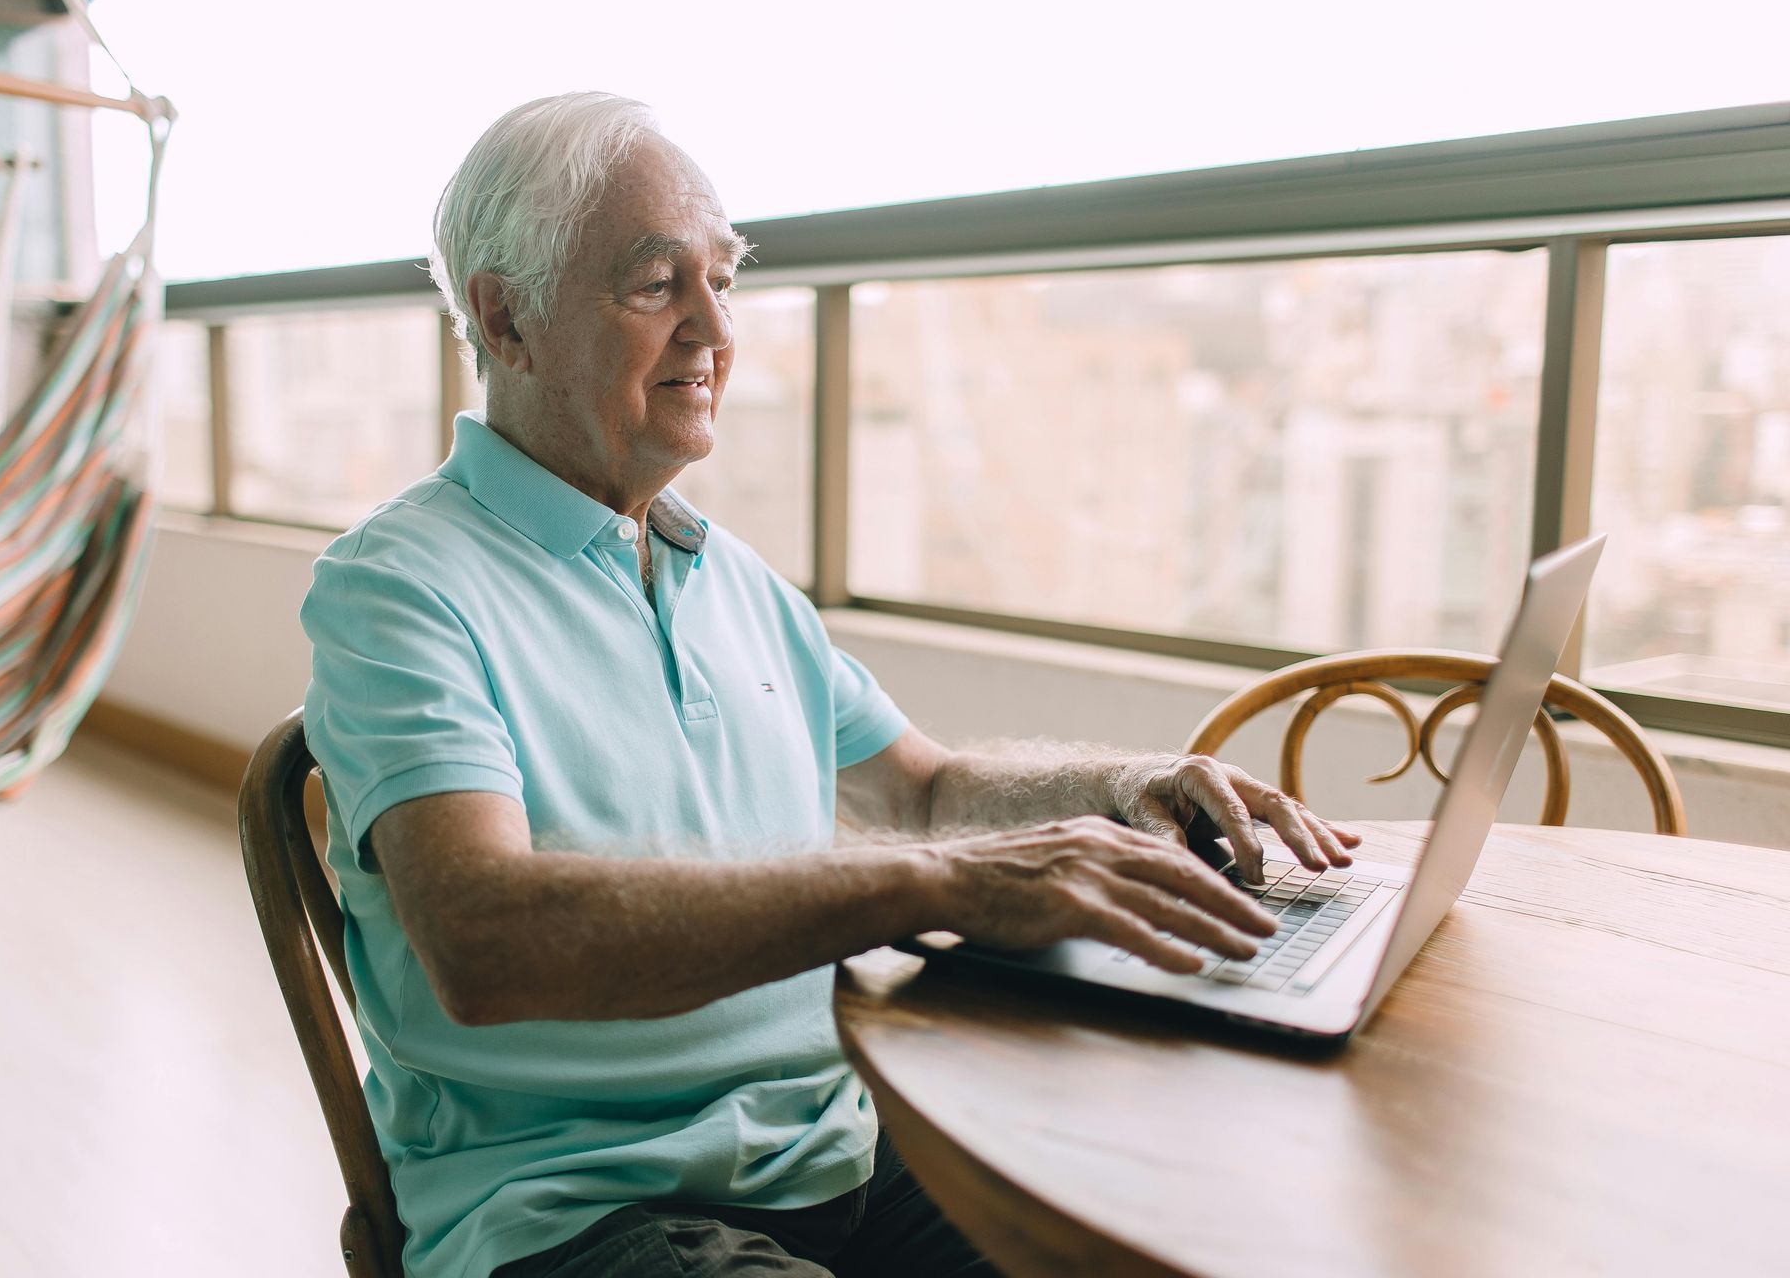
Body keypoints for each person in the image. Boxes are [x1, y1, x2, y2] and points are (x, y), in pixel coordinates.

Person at [300, 91, 1360, 1278]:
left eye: (724, 276)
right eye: (656, 283)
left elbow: (924, 792)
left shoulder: (727, 572)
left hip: (848, 1150)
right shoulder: (398, 586)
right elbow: (486, 938)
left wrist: (1128, 783)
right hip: (582, 1212)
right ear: (508, 318)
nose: (714, 327)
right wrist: (926, 885)